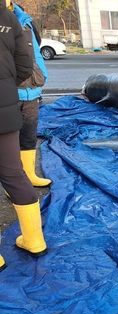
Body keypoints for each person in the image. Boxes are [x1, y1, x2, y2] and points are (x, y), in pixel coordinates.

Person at [0, 0, 48, 272]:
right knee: (13, 174)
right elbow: (23, 65)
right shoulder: (9, 19)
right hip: (5, 108)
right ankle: (34, 239)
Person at [13, 3, 51, 187]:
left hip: (32, 91)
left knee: (28, 136)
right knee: (10, 141)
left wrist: (42, 75)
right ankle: (16, 184)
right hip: (9, 94)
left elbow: (36, 53)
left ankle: (29, 175)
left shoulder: (27, 22)